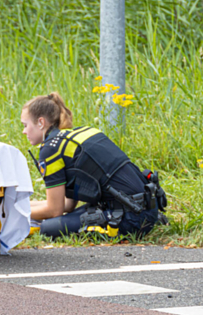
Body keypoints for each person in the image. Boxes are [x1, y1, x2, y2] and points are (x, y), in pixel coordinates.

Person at [21, 92, 164, 238]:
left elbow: (54, 211)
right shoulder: (81, 134)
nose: (24, 131)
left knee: (48, 228)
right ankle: (151, 219)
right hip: (145, 207)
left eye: (25, 125)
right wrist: (21, 206)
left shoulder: (51, 149)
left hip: (130, 218)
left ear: (40, 122)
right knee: (61, 221)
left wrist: (14, 214)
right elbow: (68, 205)